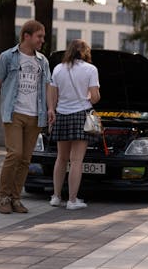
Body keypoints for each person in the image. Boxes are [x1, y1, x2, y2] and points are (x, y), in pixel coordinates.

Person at [0, 20, 52, 214]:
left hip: (35, 115)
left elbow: (48, 86)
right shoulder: (8, 57)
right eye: (39, 36)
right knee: (14, 155)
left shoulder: (43, 61)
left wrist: (50, 109)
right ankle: (3, 197)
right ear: (27, 36)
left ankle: (16, 198)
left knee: (25, 159)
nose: (42, 40)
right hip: (14, 113)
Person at [47, 39, 100, 210]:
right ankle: (72, 200)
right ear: (85, 52)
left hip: (61, 115)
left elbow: (52, 94)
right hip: (80, 116)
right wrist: (90, 96)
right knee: (76, 160)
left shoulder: (58, 69)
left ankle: (55, 197)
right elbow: (95, 97)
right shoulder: (90, 69)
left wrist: (52, 110)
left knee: (61, 158)